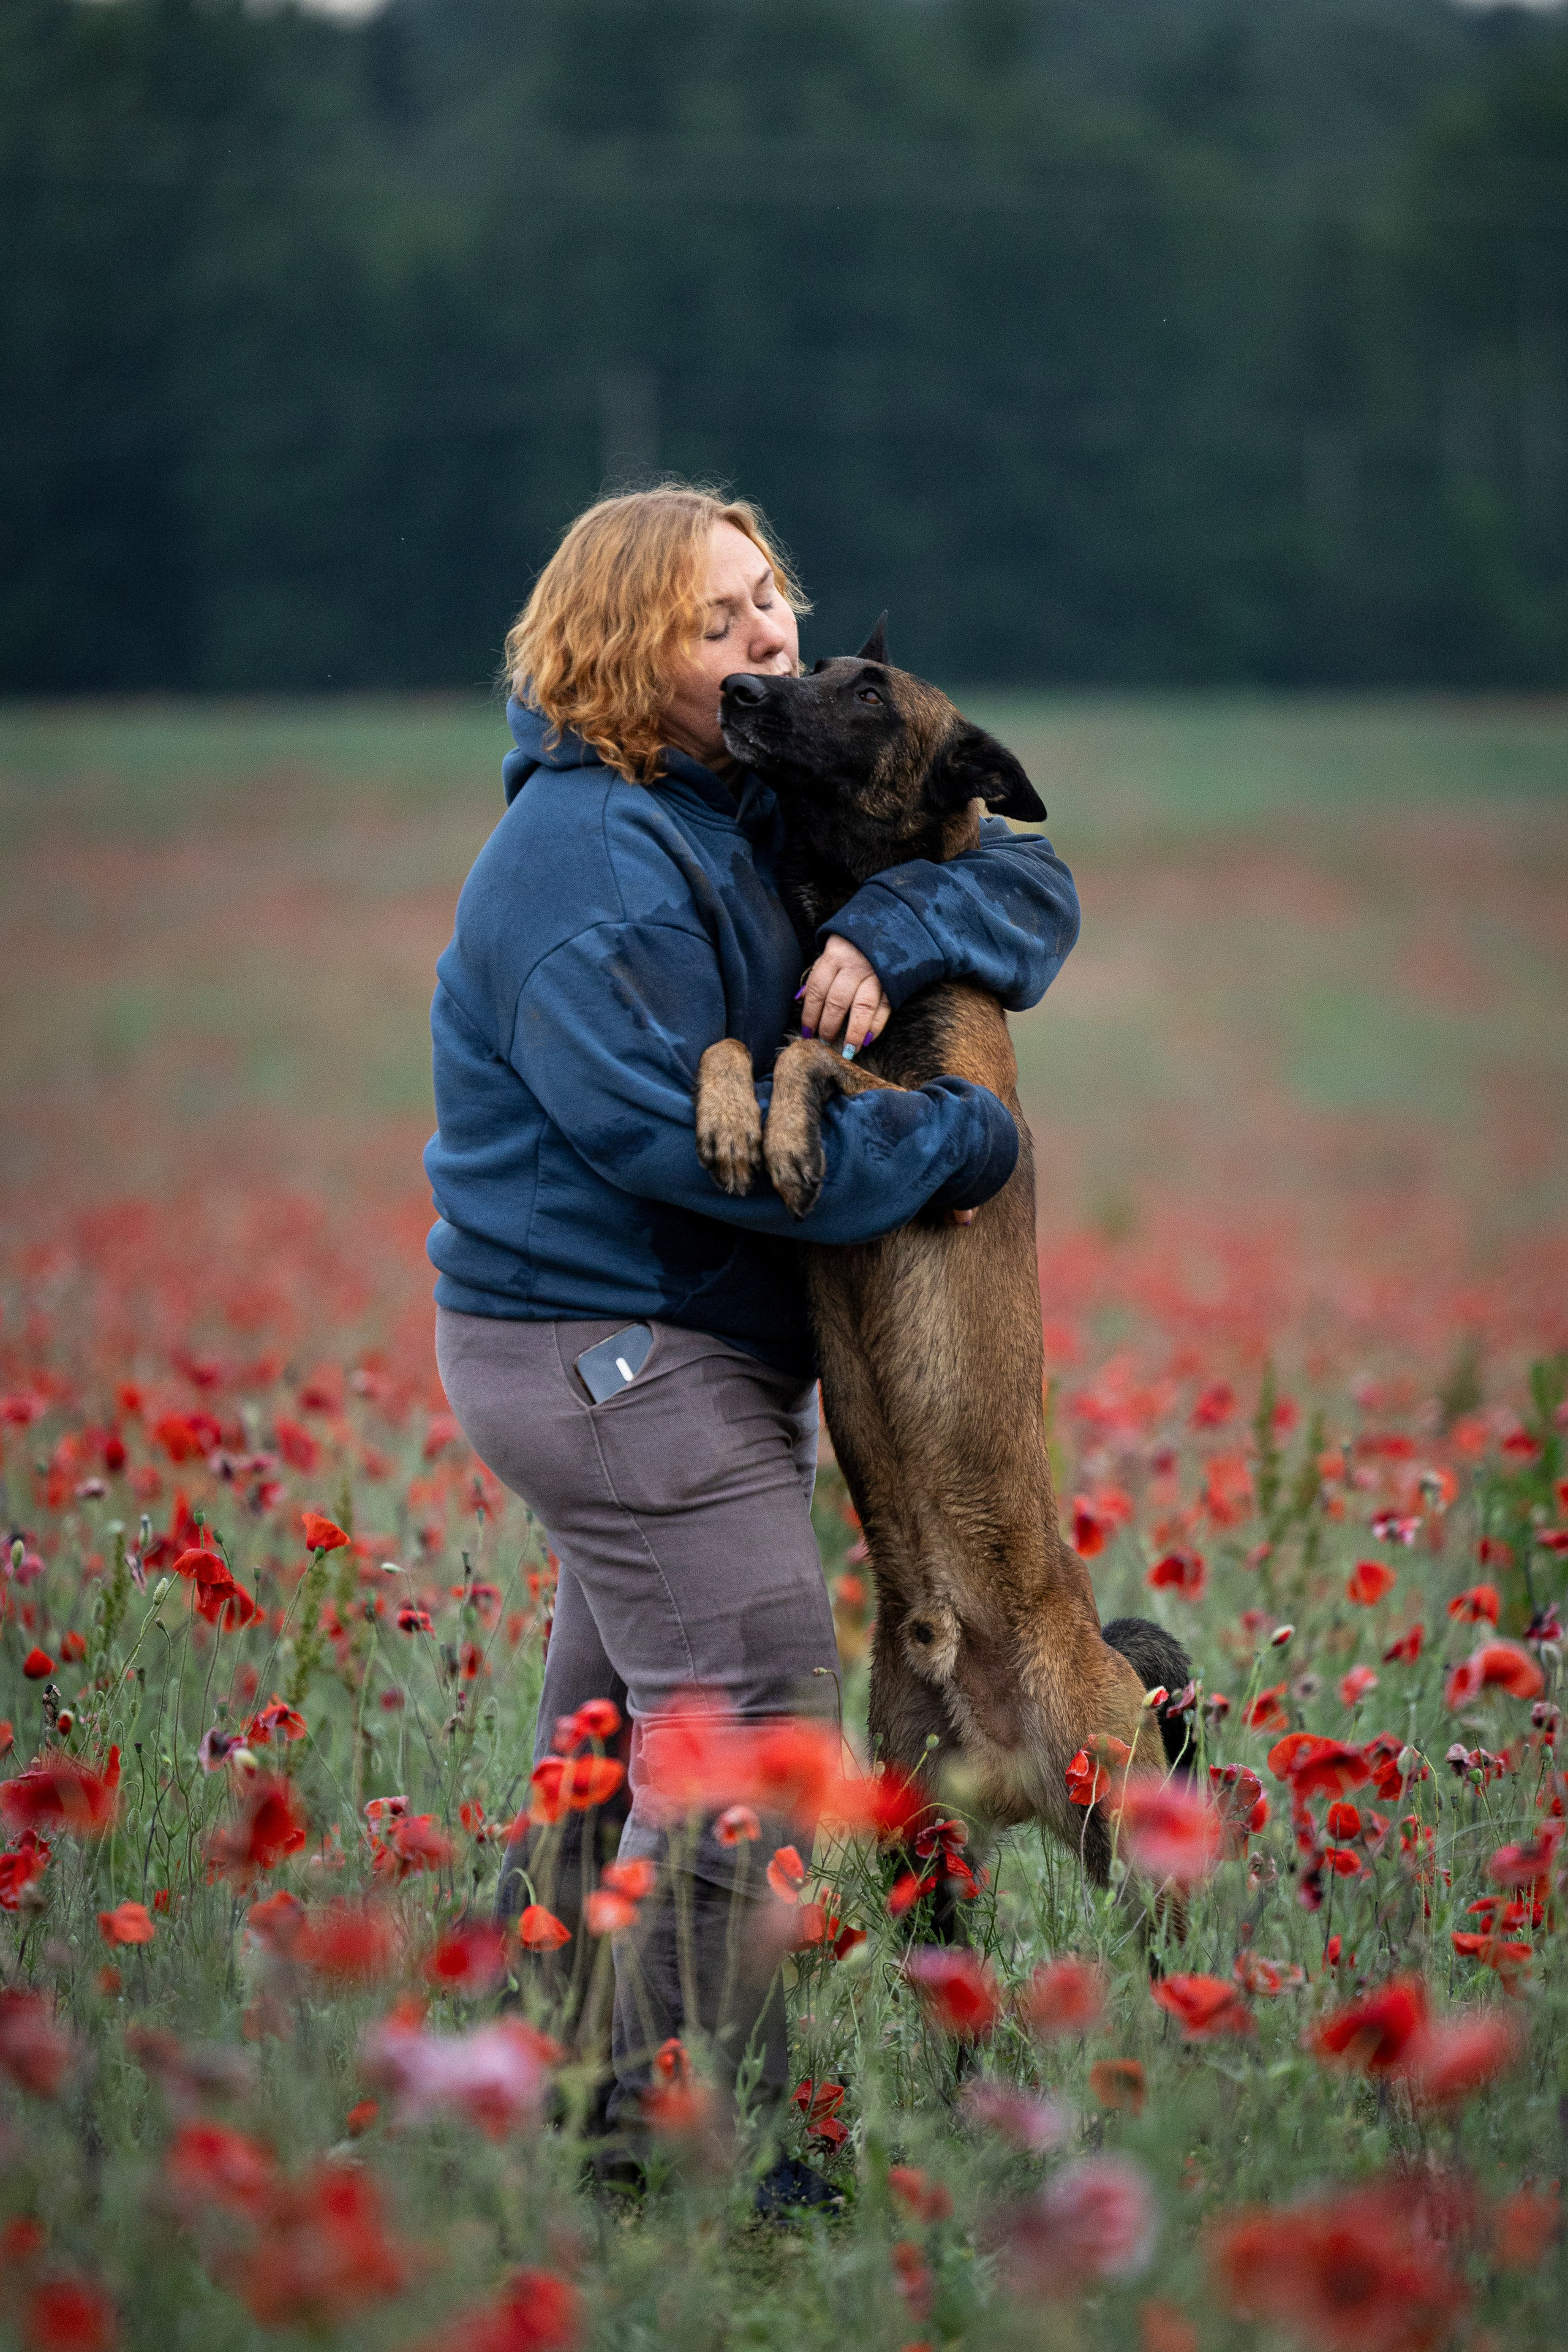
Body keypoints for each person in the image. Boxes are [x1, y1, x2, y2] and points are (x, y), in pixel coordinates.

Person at [424, 484, 1079, 2191]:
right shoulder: (588, 863)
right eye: (712, 624)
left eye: (769, 598)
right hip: (613, 1353)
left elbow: (1026, 878)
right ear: (618, 655)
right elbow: (675, 1140)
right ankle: (684, 2135)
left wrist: (890, 924)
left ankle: (503, 2088)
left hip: (668, 1349)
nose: (767, 638)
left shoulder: (737, 796)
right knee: (753, 1712)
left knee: (606, 1754)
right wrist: (964, 1145)